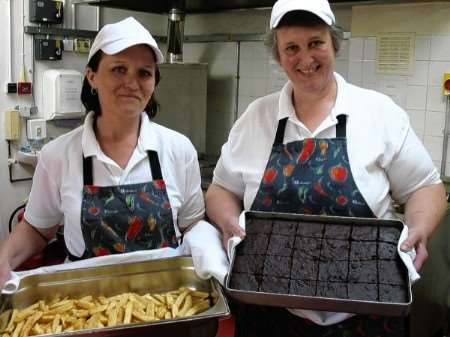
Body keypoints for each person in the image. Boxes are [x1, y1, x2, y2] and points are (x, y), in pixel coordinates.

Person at [205, 0, 447, 336]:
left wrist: (420, 225)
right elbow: (221, 189)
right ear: (277, 54)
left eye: (316, 43)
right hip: (269, 311)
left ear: (334, 43)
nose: (305, 59)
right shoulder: (256, 118)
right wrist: (228, 221)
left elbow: (426, 187)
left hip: (364, 313)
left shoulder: (378, 113)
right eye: (292, 47)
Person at [0, 17, 204, 285]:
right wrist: (3, 262)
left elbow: (193, 226)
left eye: (144, 72)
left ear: (154, 82)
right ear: (92, 76)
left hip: (165, 304)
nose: (132, 82)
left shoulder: (179, 150)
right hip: (86, 307)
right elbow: (37, 230)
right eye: (119, 69)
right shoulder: (58, 156)